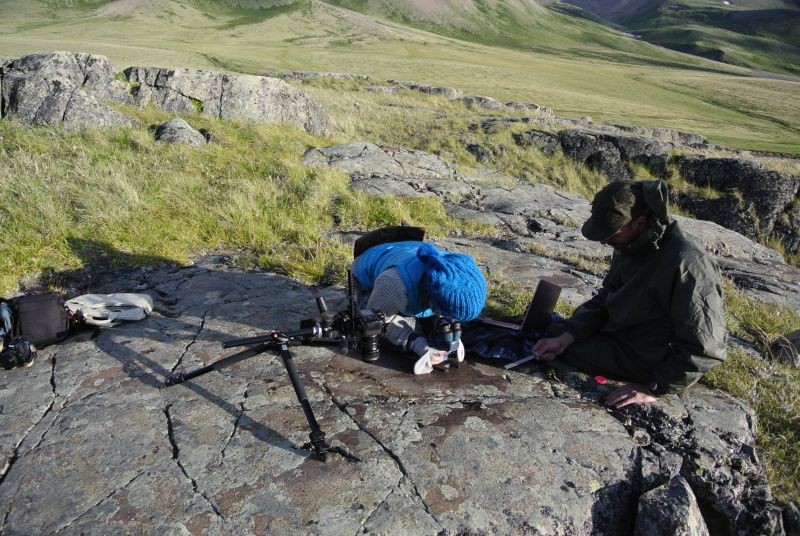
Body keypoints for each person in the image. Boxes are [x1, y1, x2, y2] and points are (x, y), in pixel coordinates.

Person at [532, 180, 727, 408]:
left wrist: (655, 387)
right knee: (551, 334)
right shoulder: (633, 244)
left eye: (611, 234)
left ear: (640, 222)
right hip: (627, 334)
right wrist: (566, 337)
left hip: (652, 357)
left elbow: (706, 349)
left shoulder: (688, 264)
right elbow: (606, 299)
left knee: (557, 346)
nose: (605, 241)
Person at [352, 240, 487, 374]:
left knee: (433, 326)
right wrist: (414, 342)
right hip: (369, 267)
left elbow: (449, 303)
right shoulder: (394, 282)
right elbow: (377, 320)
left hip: (405, 251)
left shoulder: (451, 269)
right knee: (370, 327)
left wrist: (450, 332)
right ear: (432, 298)